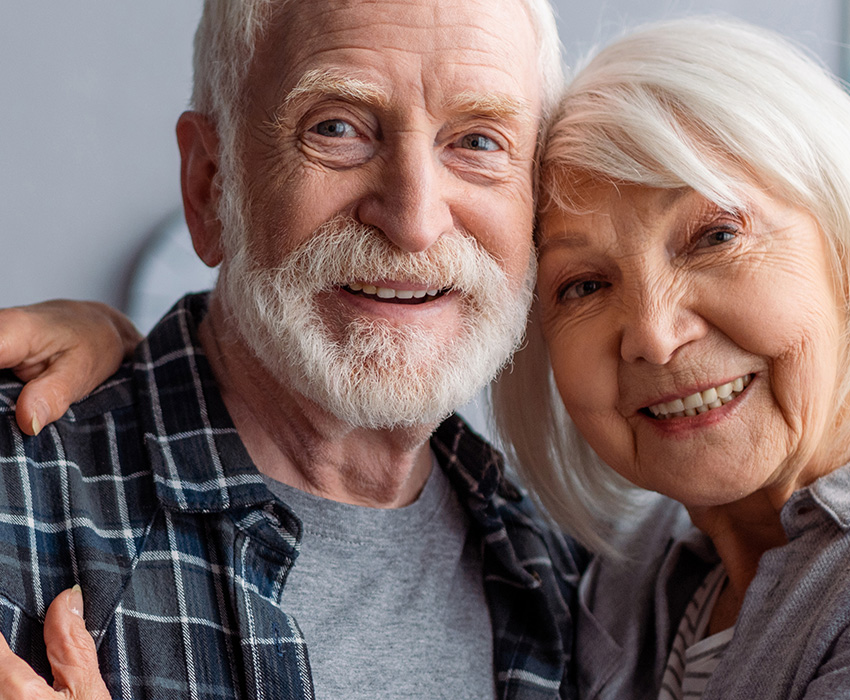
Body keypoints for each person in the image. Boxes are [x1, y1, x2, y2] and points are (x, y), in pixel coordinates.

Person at [0, 0, 586, 698]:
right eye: (336, 127)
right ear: (210, 186)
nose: (414, 221)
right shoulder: (16, 492)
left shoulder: (568, 585)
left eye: (479, 141)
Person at [490, 17, 850, 699]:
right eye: (583, 286)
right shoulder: (628, 575)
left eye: (715, 236)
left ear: (848, 243)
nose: (654, 336)